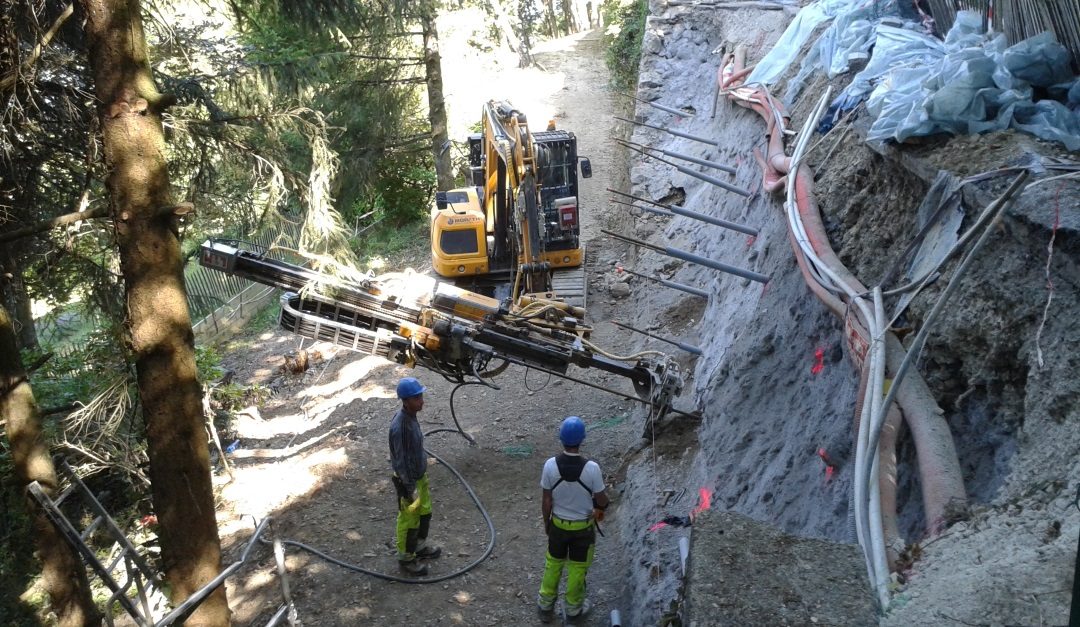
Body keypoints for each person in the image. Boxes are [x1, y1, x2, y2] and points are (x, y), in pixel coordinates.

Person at [537, 416, 609, 622]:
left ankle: (545, 606)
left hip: (558, 525)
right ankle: (574, 609)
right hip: (582, 530)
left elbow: (546, 501)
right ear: (582, 439)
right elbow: (601, 499)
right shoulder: (592, 469)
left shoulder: (550, 465)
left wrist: (547, 524)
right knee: (577, 569)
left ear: (561, 438)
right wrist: (602, 506)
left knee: (553, 564)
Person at [389, 377, 441, 576]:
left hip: (420, 477)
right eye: (416, 398)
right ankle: (406, 558)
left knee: (425, 513)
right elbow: (401, 461)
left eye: (421, 395)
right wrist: (409, 489)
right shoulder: (401, 426)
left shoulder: (411, 416)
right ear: (405, 400)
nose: (421, 400)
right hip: (409, 482)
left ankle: (419, 547)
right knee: (409, 521)